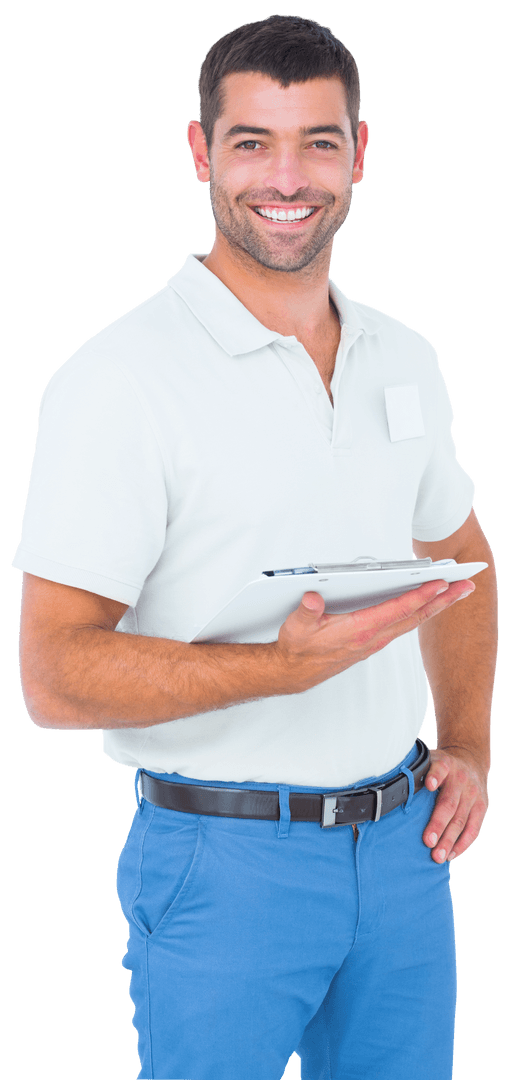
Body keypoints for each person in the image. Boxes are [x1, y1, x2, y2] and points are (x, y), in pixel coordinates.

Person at [13, 14, 497, 1080]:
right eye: (253, 142)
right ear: (200, 153)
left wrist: (467, 739)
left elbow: (462, 552)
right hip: (224, 863)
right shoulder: (120, 381)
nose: (288, 177)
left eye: (318, 141)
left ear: (360, 155)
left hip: (407, 852)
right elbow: (52, 673)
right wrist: (276, 673)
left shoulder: (402, 356)